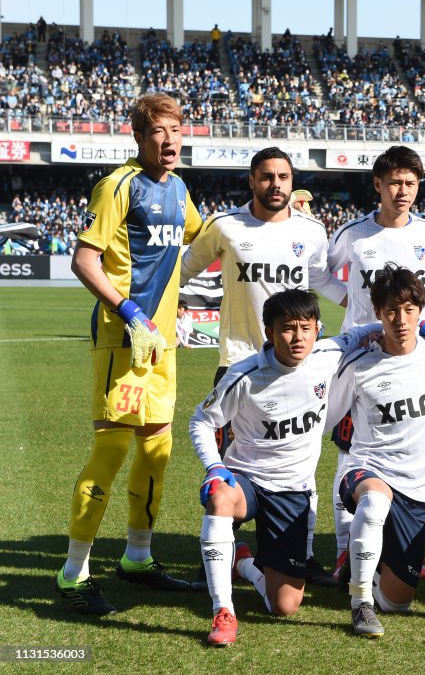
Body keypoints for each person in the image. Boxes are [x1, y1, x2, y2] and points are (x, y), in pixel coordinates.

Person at [58, 93, 203, 615]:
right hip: (124, 339)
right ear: (139, 137)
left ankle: (137, 558)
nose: (169, 141)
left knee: (156, 452)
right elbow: (83, 260)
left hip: (161, 344)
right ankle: (73, 571)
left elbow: (199, 236)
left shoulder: (180, 188)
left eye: (176, 130)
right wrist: (129, 312)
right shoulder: (117, 186)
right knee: (112, 451)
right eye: (158, 132)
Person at [179, 146, 347, 586]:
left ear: (293, 183)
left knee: (301, 462)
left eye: (283, 177)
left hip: (297, 366)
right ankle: (217, 557)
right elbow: (183, 268)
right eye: (267, 177)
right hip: (239, 364)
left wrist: (365, 303)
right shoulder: (226, 226)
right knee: (231, 463)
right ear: (252, 181)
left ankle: (303, 554)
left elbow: (321, 279)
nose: (276, 185)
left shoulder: (311, 230)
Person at [191, 289, 384, 646]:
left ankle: (244, 563)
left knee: (285, 605)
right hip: (245, 480)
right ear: (269, 331)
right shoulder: (244, 375)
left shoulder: (327, 354)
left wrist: (424, 328)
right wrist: (215, 467)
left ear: (316, 329)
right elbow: (201, 420)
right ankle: (223, 610)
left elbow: (363, 332)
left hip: (292, 491)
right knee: (219, 497)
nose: (297, 338)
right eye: (287, 328)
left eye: (306, 328)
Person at [326, 146, 425, 581]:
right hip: (362, 362)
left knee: (413, 449)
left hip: (410, 358)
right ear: (377, 185)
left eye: (411, 184)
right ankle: (345, 550)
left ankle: (402, 549)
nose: (403, 191)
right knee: (348, 453)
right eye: (395, 182)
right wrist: (349, 304)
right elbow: (319, 270)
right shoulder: (353, 235)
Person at [329, 265, 425, 637]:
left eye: (409, 309)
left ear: (421, 311)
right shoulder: (358, 365)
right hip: (368, 469)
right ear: (378, 313)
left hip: (417, 488)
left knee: (398, 600)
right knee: (374, 503)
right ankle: (360, 602)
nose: (401, 319)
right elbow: (324, 417)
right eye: (391, 311)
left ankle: (363, 560)